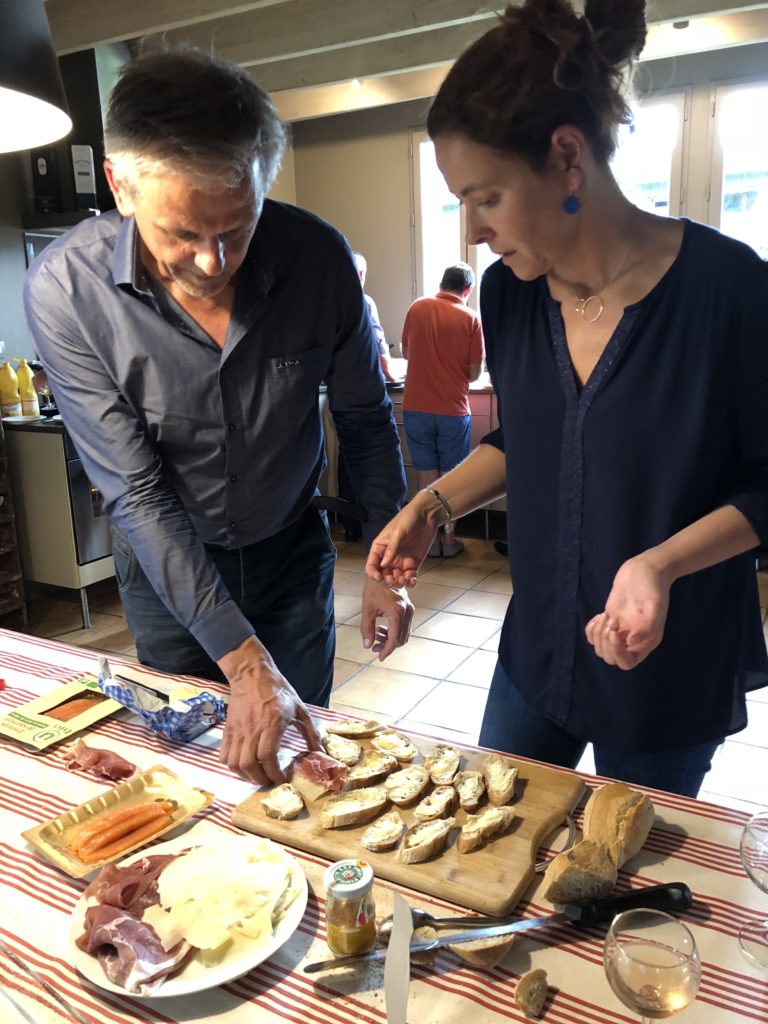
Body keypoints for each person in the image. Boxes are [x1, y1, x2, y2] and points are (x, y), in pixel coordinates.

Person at [366, 0, 768, 798]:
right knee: (488, 829)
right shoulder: (509, 296)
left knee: (622, 885)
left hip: (664, 660)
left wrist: (660, 564)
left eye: (485, 199)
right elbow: (530, 439)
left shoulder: (731, 290)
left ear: (566, 157)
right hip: (538, 645)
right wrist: (429, 507)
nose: (472, 233)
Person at [24, 48, 413, 786]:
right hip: (166, 572)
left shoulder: (317, 259)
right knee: (195, 766)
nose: (212, 261)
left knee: (305, 758)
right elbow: (135, 493)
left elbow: (363, 418)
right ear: (120, 185)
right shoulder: (67, 292)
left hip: (292, 553)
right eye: (182, 233)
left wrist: (388, 563)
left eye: (237, 227)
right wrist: (242, 659)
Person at [401, 262, 484, 558]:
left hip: (415, 407)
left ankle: (429, 542)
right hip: (452, 409)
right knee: (451, 478)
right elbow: (474, 374)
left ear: (441, 284)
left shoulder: (418, 307)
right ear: (468, 290)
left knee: (426, 475)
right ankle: (449, 542)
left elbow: (408, 353)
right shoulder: (470, 318)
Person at [352, 252, 400, 384]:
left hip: (336, 388)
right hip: (364, 385)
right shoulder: (365, 303)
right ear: (361, 275)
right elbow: (378, 347)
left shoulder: (329, 302)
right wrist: (394, 377)